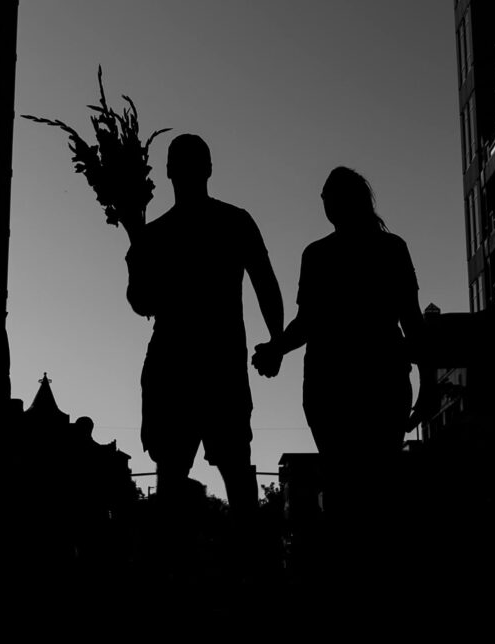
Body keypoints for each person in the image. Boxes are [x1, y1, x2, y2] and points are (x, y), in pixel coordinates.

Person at [252, 167, 436, 578]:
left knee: (345, 486)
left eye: (327, 196)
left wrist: (275, 348)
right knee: (374, 484)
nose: (323, 202)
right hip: (378, 382)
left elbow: (309, 322)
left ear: (342, 202)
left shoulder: (320, 255)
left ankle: (350, 577)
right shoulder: (389, 249)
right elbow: (411, 322)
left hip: (334, 384)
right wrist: (427, 381)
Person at [127, 134, 284, 566]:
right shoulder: (230, 222)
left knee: (183, 480)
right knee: (227, 476)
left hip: (184, 368)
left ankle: (176, 576)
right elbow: (266, 284)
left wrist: (278, 341)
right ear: (208, 169)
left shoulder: (161, 233)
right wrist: (276, 342)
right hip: (209, 368)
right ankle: (248, 573)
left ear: (167, 172)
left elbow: (142, 302)